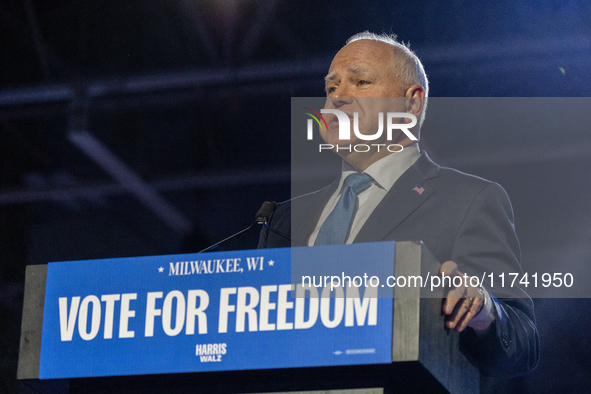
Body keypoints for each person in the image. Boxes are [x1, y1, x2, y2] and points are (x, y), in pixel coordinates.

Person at [258, 31, 539, 378]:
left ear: (412, 103)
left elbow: (522, 342)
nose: (339, 98)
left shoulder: (469, 200)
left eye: (360, 82)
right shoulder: (283, 220)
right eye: (331, 88)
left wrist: (485, 312)